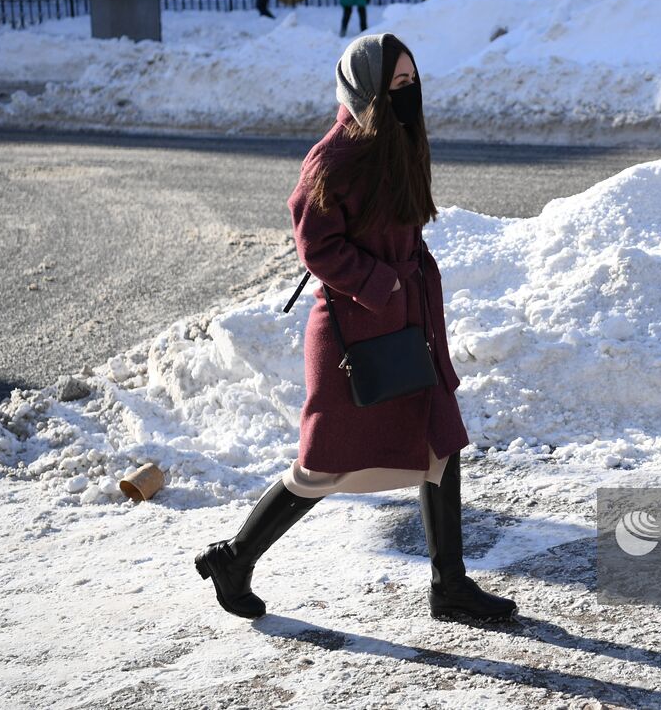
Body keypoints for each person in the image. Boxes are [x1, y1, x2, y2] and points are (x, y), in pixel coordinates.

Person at [194, 32, 519, 624]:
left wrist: (408, 285)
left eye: (412, 82)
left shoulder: (395, 139)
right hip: (355, 332)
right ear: (365, 87)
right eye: (396, 85)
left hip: (407, 321)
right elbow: (315, 243)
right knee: (321, 468)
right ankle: (234, 559)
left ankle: (450, 586)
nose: (409, 93)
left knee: (440, 443)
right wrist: (383, 286)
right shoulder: (335, 155)